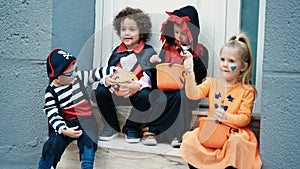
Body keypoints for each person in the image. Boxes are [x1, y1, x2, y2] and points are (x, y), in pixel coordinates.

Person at [179, 33, 262, 169]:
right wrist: (189, 73)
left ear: (243, 66)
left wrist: (226, 116)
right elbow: (193, 94)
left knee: (236, 143)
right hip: (214, 131)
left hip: (234, 132)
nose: (225, 64)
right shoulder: (212, 83)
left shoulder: (247, 90)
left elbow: (244, 118)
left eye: (231, 61)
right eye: (223, 59)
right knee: (190, 138)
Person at [38, 48, 116, 169]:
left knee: (89, 140)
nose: (74, 75)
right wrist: (63, 129)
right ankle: (45, 166)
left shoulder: (78, 78)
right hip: (66, 122)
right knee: (53, 144)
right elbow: (52, 114)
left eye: (75, 71)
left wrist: (113, 72)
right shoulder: (51, 93)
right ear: (57, 77)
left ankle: (87, 165)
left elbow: (96, 73)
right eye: (70, 74)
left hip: (86, 119)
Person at [142, 5, 208, 146]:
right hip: (166, 88)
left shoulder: (201, 51)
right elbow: (157, 75)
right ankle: (152, 131)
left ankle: (174, 135)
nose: (179, 36)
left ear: (192, 32)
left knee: (180, 96)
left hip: (188, 91)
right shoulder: (167, 49)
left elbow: (201, 75)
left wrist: (191, 61)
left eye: (183, 32)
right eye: (176, 32)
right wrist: (155, 64)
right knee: (161, 97)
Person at [95, 7, 156, 143]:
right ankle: (111, 127)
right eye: (123, 29)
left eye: (132, 29)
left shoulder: (148, 51)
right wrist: (107, 81)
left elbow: (150, 76)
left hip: (136, 93)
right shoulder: (117, 51)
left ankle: (132, 128)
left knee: (146, 96)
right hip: (117, 92)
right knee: (100, 91)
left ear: (141, 32)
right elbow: (109, 71)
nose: (127, 33)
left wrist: (138, 85)